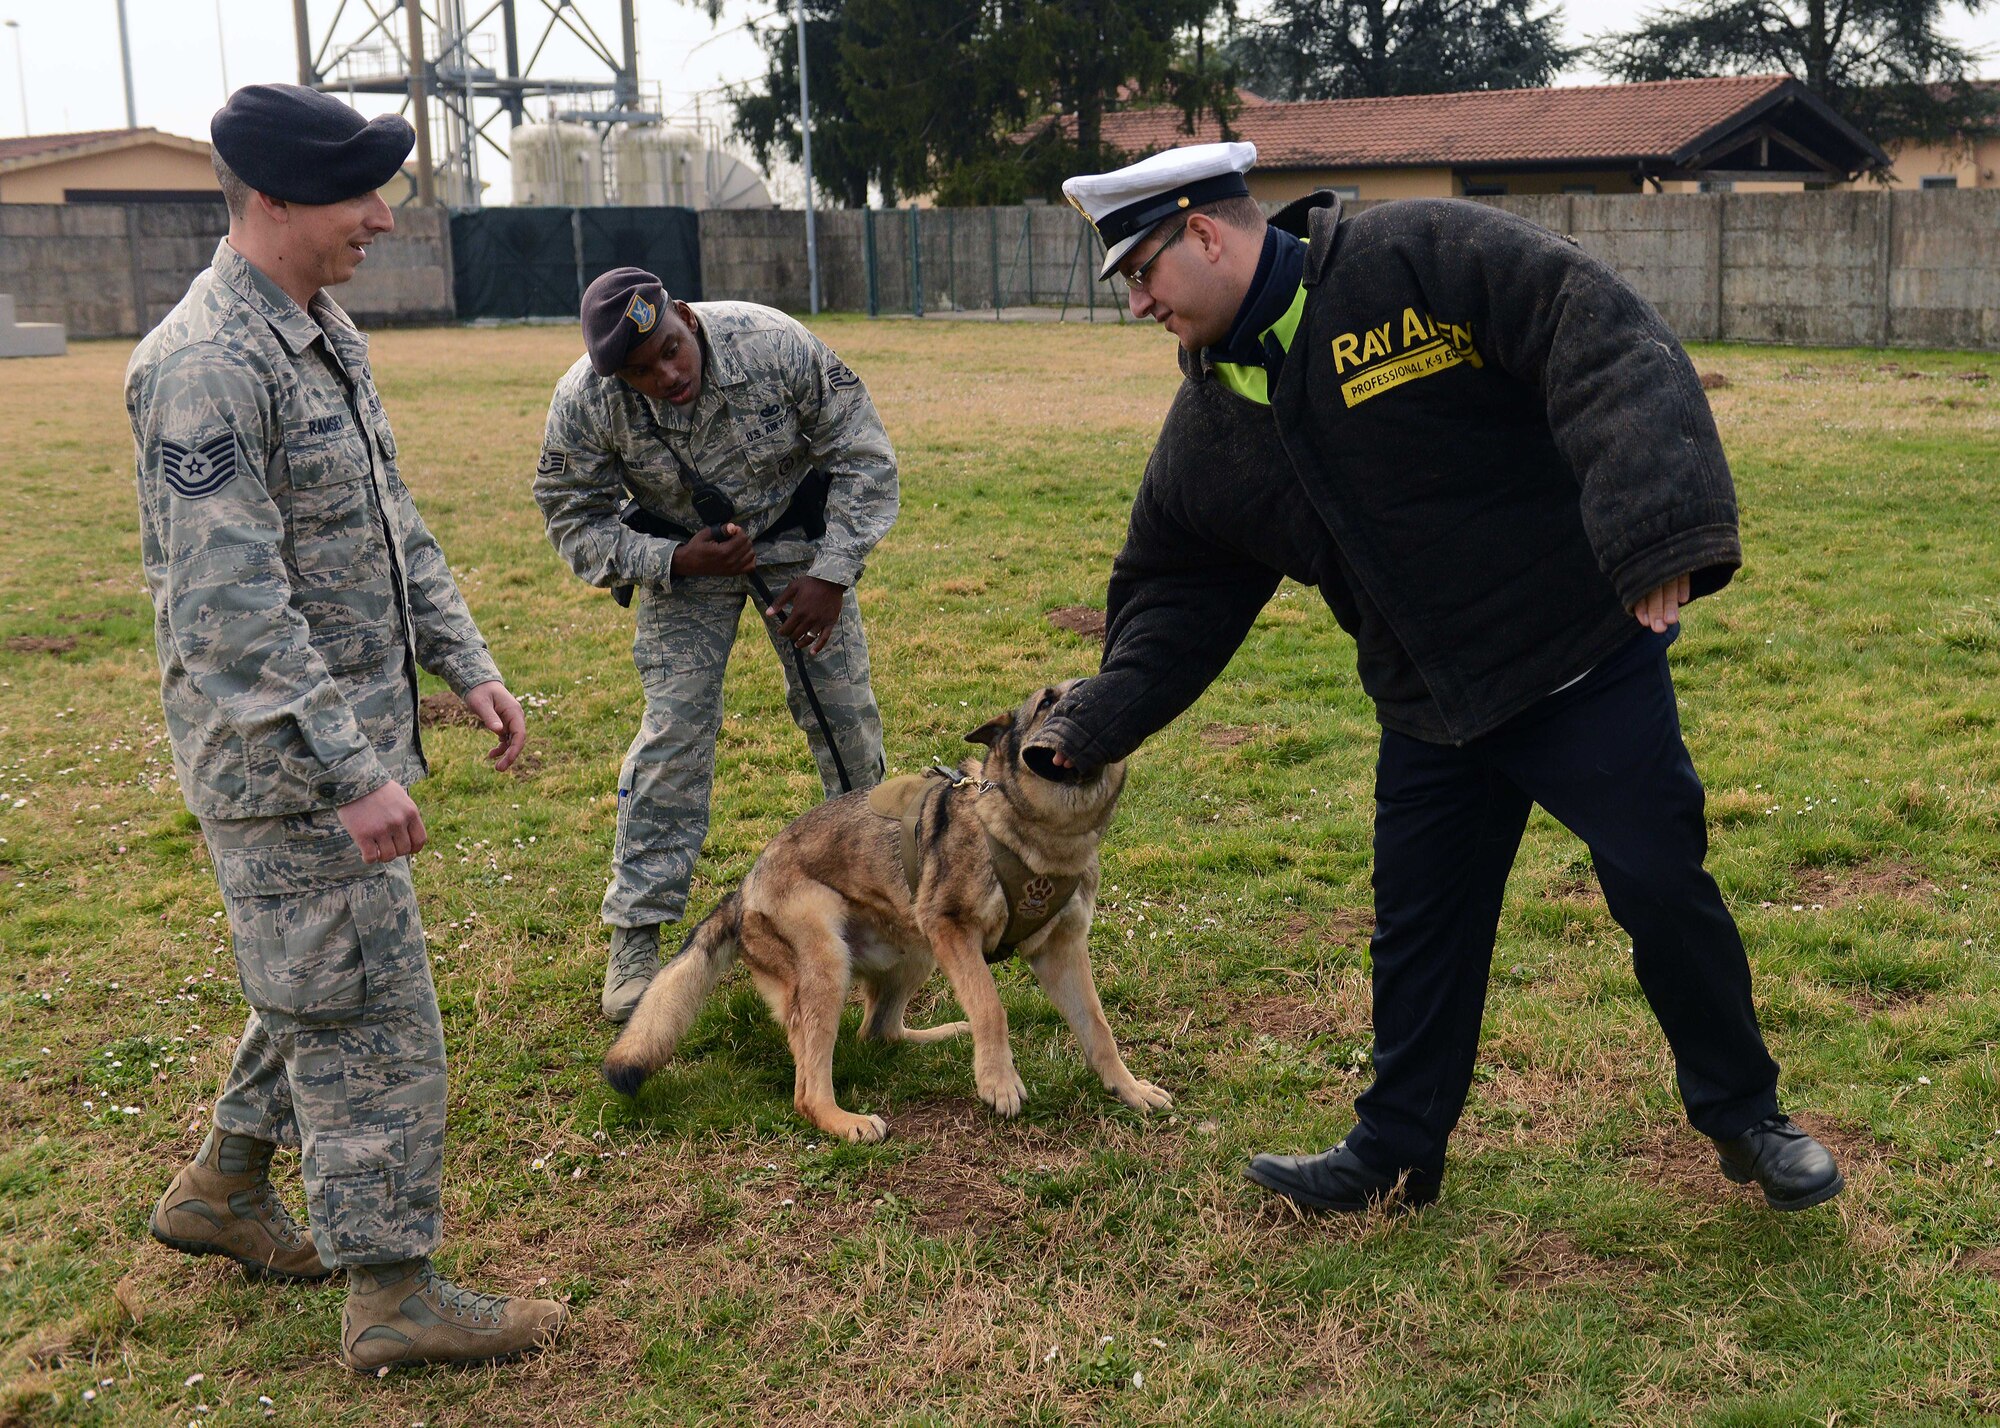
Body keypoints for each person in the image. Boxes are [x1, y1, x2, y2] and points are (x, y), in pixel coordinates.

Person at [1029, 142, 1842, 1214]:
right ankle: (1397, 1155)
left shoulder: (1410, 260)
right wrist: (1094, 716)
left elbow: (1591, 332)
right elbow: (1176, 588)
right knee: (1419, 933)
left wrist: (1656, 529)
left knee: (1658, 886)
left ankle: (1746, 1118)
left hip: (1575, 660)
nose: (1136, 304)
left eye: (1141, 273)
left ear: (1208, 233)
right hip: (1429, 706)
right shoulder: (1212, 420)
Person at [130, 83, 567, 1372]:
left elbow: (387, 520)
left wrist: (464, 660)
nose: (382, 216)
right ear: (270, 198)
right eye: (357, 194)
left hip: (344, 749)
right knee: (373, 1017)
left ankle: (219, 1189)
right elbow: (233, 613)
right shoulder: (206, 363)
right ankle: (391, 1295)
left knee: (317, 978)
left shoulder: (314, 327)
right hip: (291, 772)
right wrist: (354, 772)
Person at [535, 268, 898, 1022]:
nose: (667, 374)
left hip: (800, 544)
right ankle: (635, 941)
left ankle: (883, 903)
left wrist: (831, 575)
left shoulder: (773, 344)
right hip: (683, 557)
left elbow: (864, 457)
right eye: (642, 371)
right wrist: (670, 561)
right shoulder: (586, 400)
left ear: (688, 318)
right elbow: (572, 519)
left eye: (670, 348)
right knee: (673, 732)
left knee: (846, 720)